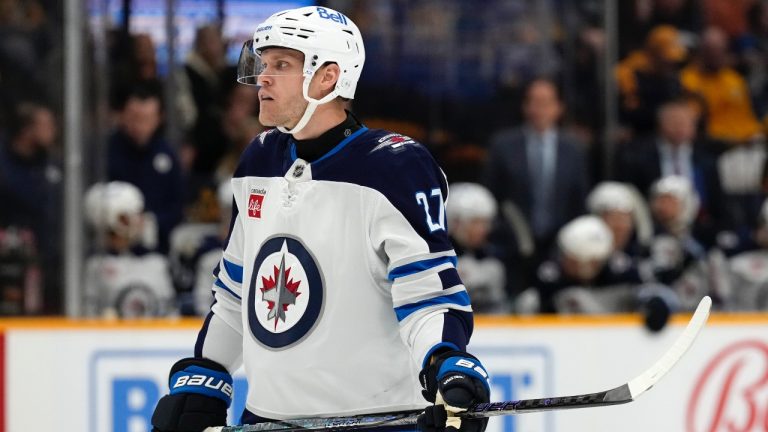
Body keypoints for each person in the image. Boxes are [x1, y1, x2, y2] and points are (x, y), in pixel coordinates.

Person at [151, 6, 490, 432]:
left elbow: (427, 293)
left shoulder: (394, 167)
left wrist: (446, 362)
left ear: (327, 77)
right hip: (267, 421)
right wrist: (206, 374)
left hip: (377, 423)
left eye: (282, 65)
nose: (264, 77)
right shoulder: (259, 158)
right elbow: (238, 291)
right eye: (263, 63)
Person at [483, 78, 590, 267]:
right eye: (533, 102)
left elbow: (579, 200)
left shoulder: (573, 148)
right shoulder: (503, 145)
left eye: (546, 103)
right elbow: (492, 197)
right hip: (513, 247)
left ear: (558, 107)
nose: (539, 109)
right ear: (525, 106)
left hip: (560, 248)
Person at [107, 84, 185, 254]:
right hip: (112, 250)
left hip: (156, 252)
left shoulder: (167, 155)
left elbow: (177, 206)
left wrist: (151, 222)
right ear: (123, 116)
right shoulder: (106, 152)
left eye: (147, 119)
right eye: (134, 118)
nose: (140, 126)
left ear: (159, 119)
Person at [83, 181, 176, 318]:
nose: (142, 221)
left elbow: (171, 313)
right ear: (115, 221)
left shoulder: (157, 262)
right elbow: (88, 314)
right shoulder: (96, 266)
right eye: (132, 215)